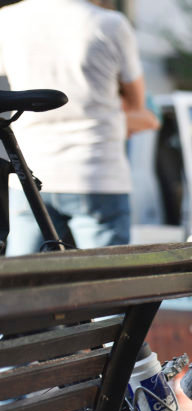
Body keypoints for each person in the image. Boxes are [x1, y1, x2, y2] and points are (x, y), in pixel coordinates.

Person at [0, 0, 159, 255]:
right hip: (96, 172)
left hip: (29, 171)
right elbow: (137, 105)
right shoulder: (110, 23)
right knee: (104, 283)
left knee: (23, 283)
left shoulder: (7, 20)